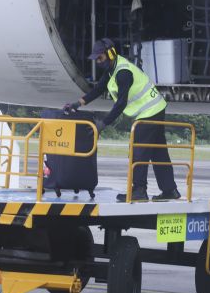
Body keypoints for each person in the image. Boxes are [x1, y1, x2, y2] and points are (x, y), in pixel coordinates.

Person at [64, 38, 180, 202]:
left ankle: (139, 190)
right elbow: (98, 89)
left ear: (111, 53)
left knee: (138, 152)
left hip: (149, 112)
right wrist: (78, 103)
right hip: (155, 109)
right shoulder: (112, 69)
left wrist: (103, 124)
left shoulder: (123, 73)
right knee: (158, 152)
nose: (98, 62)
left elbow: (120, 104)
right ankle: (169, 190)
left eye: (100, 58)